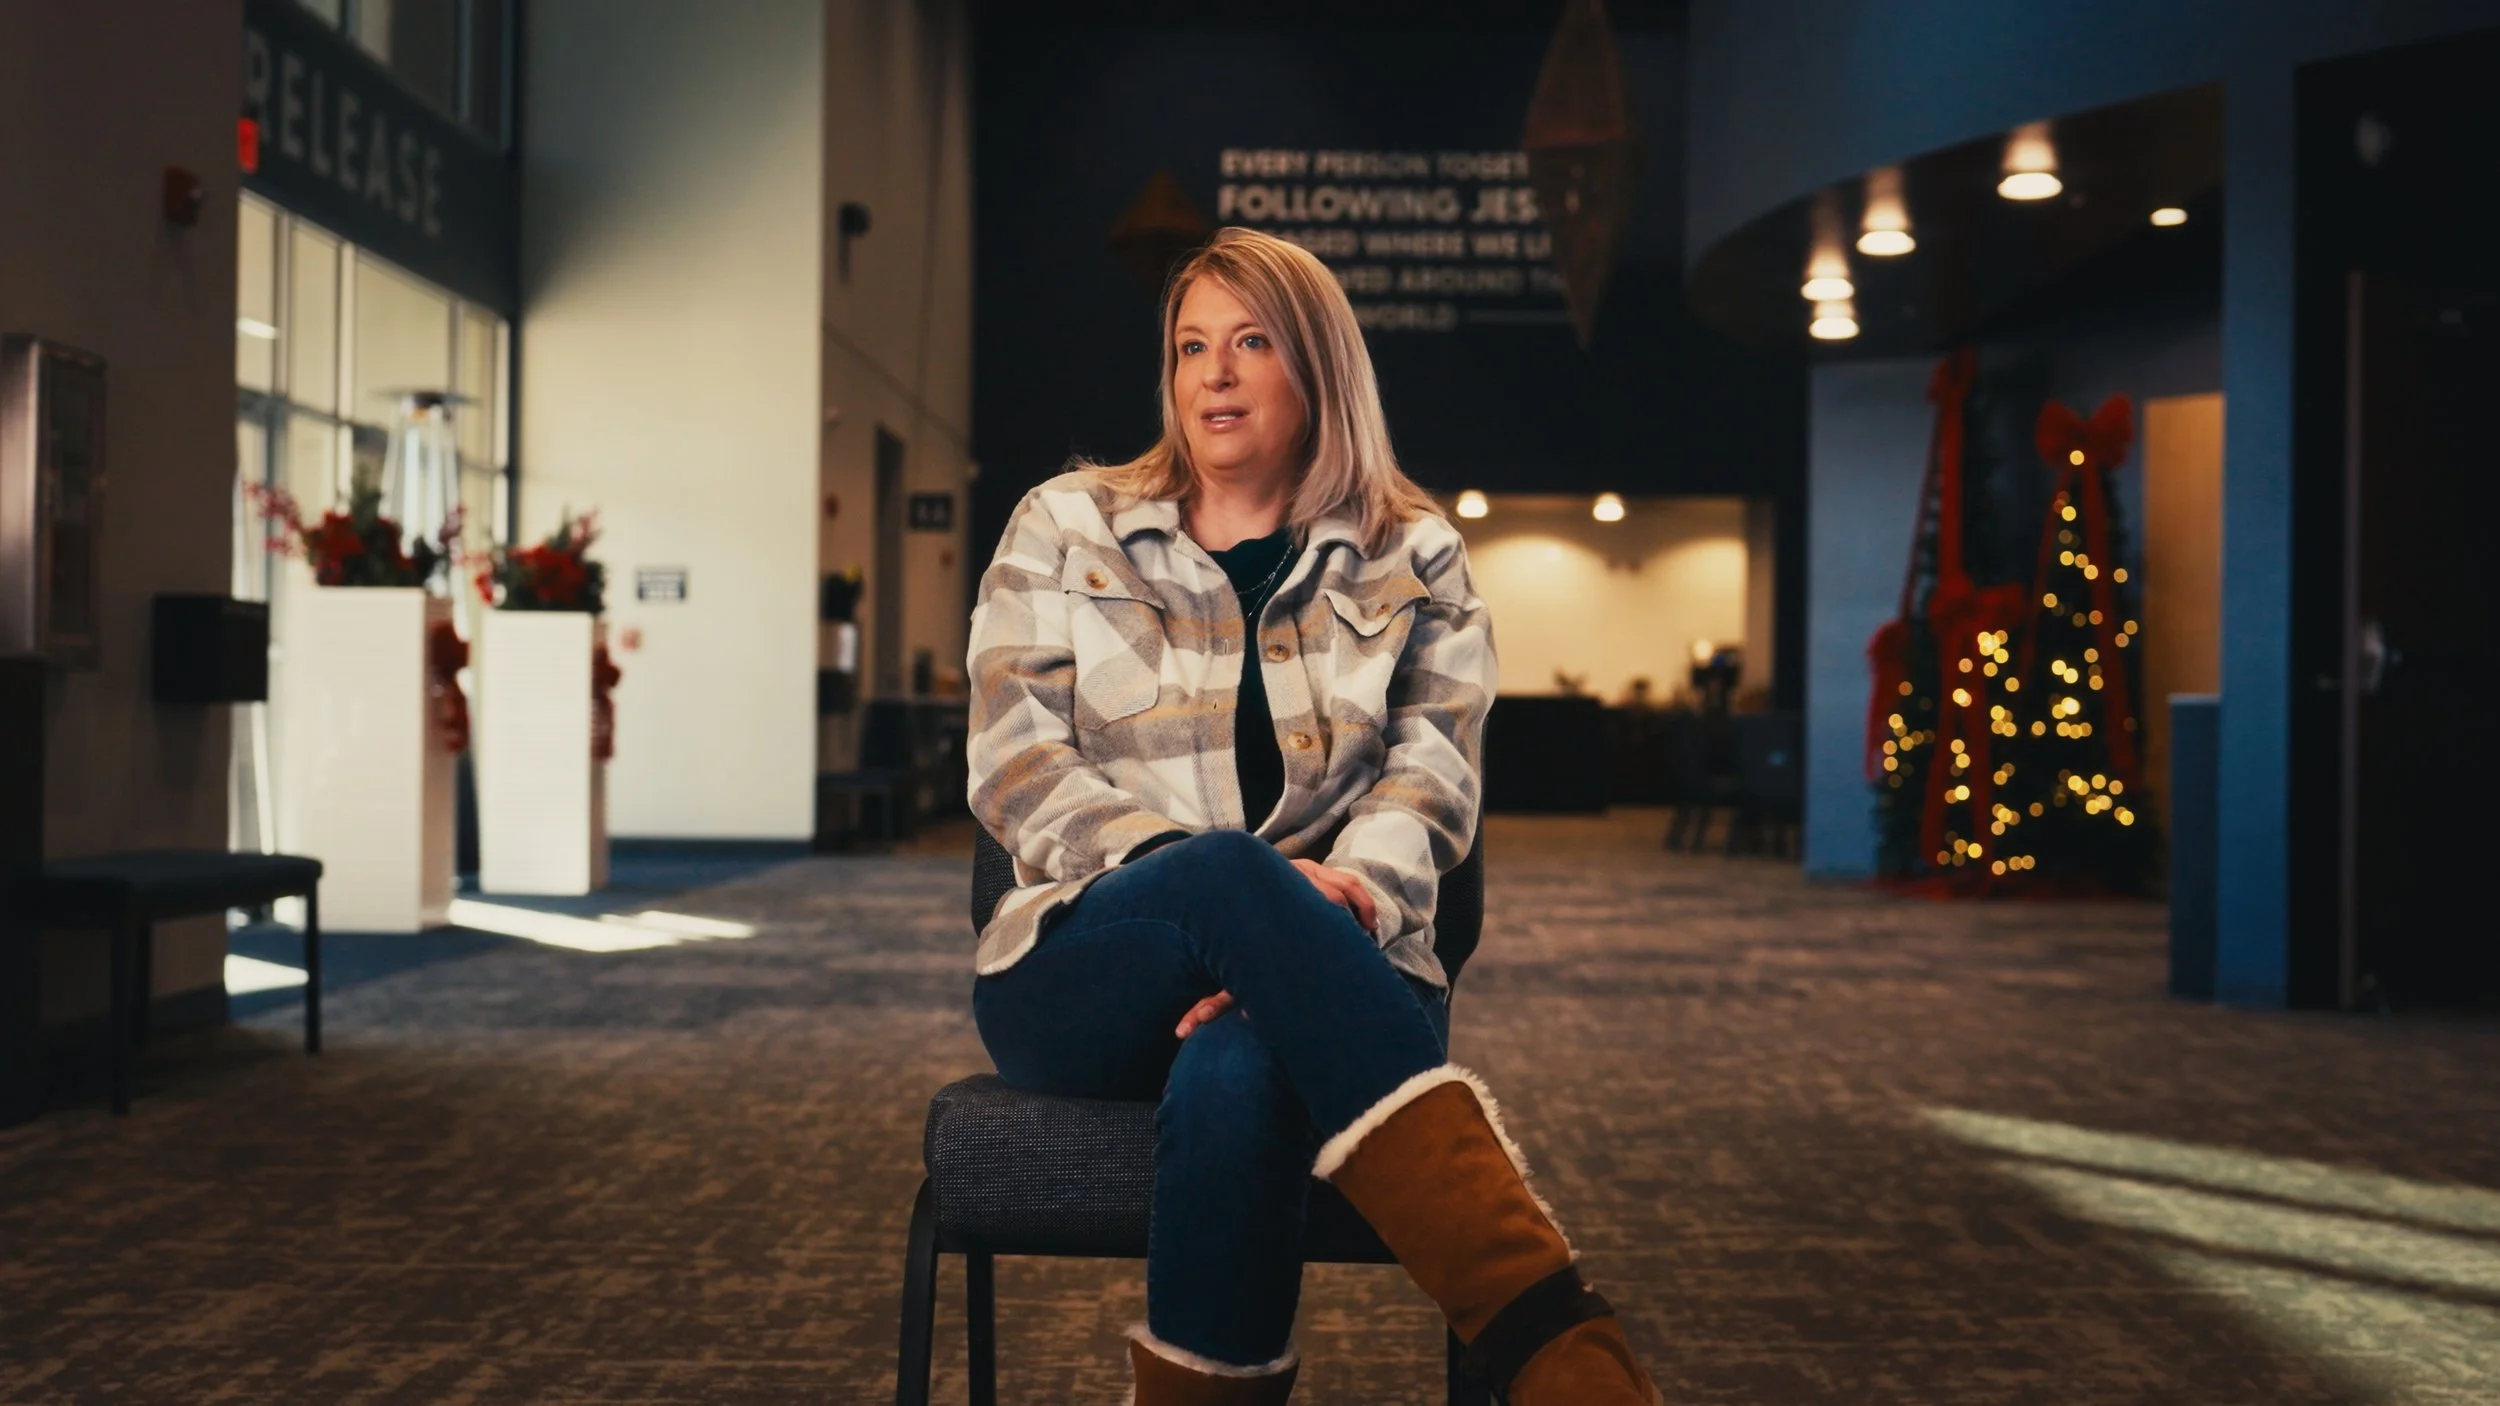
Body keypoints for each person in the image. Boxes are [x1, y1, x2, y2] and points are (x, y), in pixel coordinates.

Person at [964, 227, 1660, 1404]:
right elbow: (1013, 762)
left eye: (1250, 342)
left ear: (1321, 368)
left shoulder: (1415, 552)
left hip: (1346, 952)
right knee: (1227, 872)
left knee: (1242, 1063)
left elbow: (1431, 778)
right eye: (1191, 346)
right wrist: (1219, 886)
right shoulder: (1065, 522)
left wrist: (1337, 904)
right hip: (1091, 960)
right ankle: (1553, 1340)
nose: (1212, 374)